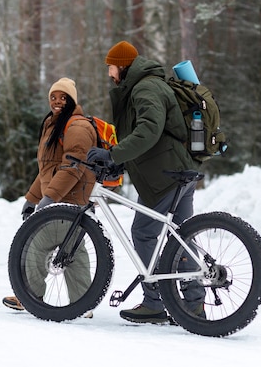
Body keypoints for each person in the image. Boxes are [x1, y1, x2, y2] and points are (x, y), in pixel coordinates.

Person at [86, 41, 205, 324]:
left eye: (111, 67)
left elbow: (149, 131)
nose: (109, 73)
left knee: (143, 231)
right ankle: (194, 304)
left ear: (123, 66)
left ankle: (155, 301)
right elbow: (154, 134)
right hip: (179, 169)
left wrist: (113, 154)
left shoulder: (146, 88)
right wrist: (120, 160)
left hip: (166, 174)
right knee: (182, 235)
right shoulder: (148, 84)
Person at [3, 77, 96, 318]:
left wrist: (50, 198)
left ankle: (29, 296)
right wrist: (32, 198)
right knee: (73, 252)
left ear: (72, 100)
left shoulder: (77, 127)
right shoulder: (53, 125)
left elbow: (72, 167)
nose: (57, 101)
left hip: (68, 201)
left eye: (63, 97)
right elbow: (48, 169)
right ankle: (83, 302)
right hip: (65, 201)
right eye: (53, 97)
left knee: (36, 245)